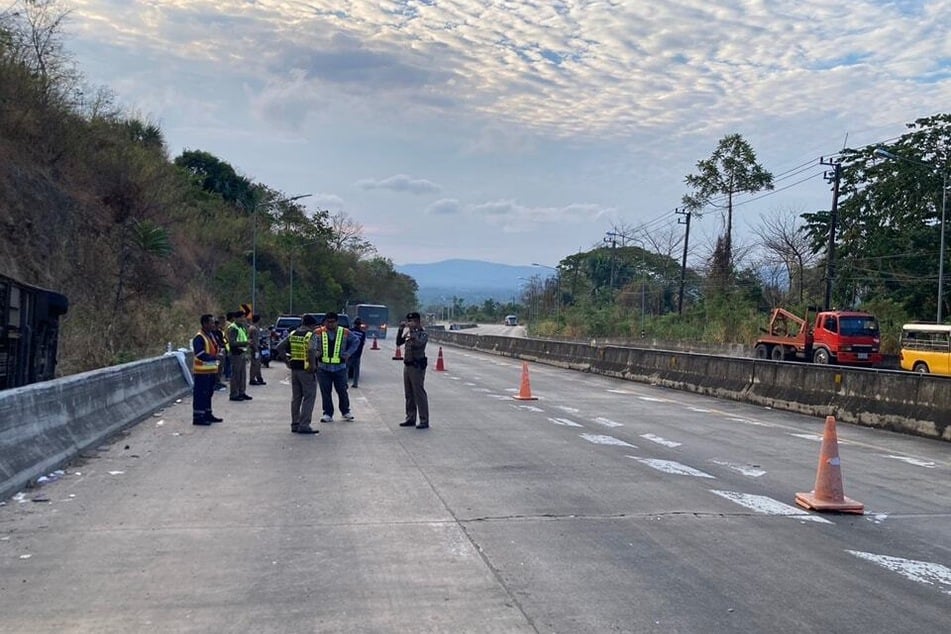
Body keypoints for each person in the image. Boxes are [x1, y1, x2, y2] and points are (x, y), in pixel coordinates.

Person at [274, 314, 319, 434]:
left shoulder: (293, 334)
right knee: (309, 397)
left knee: (296, 398)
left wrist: (287, 362)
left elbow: (279, 347)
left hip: (295, 369)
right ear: (312, 325)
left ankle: (295, 423)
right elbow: (311, 351)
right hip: (306, 370)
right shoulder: (311, 335)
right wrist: (312, 365)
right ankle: (304, 424)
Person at [314, 311, 360, 422]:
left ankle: (345, 411)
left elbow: (356, 341)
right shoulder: (318, 332)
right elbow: (310, 343)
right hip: (323, 368)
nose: (330, 324)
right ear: (325, 322)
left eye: (332, 322)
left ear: (336, 322)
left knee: (342, 390)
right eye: (328, 322)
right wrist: (315, 352)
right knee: (326, 391)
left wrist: (348, 353)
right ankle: (328, 413)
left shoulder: (344, 332)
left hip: (340, 367)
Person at [397, 311, 430, 429]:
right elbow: (398, 342)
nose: (409, 323)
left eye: (411, 321)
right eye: (408, 321)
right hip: (407, 365)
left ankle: (424, 420)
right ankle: (410, 417)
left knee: (419, 393)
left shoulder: (423, 333)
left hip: (417, 366)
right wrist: (401, 330)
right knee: (409, 394)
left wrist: (413, 333)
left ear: (417, 322)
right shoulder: (408, 333)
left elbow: (419, 344)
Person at [192, 314, 223, 426]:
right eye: (211, 322)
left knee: (208, 394)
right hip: (202, 372)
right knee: (201, 394)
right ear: (205, 324)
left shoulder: (210, 335)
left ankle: (207, 413)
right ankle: (198, 416)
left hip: (210, 371)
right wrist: (214, 357)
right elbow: (200, 354)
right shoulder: (199, 337)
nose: (213, 324)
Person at [228, 311, 252, 401]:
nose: (243, 319)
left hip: (242, 353)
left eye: (243, 317)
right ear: (236, 318)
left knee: (242, 375)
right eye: (241, 317)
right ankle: (234, 394)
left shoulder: (242, 327)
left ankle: (241, 392)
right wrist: (245, 343)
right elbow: (232, 342)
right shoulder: (233, 328)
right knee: (235, 375)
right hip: (235, 354)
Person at [348, 317, 367, 388]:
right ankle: (355, 383)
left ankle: (345, 383)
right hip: (358, 353)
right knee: (356, 370)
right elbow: (362, 343)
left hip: (349, 353)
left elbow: (347, 341)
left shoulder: (350, 331)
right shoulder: (362, 333)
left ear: (354, 324)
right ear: (360, 325)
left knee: (346, 368)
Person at [248, 314, 266, 385]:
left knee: (257, 364)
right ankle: (252, 379)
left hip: (255, 348)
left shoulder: (252, 327)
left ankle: (259, 378)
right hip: (255, 349)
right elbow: (254, 341)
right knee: (255, 364)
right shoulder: (254, 329)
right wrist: (256, 350)